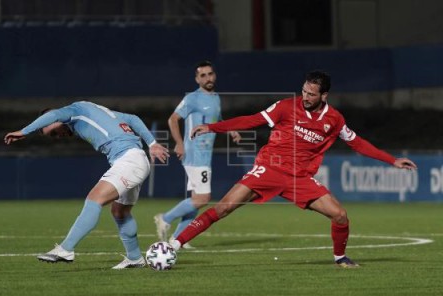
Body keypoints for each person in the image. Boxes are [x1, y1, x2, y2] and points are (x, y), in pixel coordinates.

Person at [169, 70, 417, 268]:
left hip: (299, 178)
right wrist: (213, 128)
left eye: (311, 94)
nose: (305, 97)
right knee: (223, 208)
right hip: (269, 169)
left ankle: (340, 258)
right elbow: (252, 120)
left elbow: (357, 142)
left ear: (324, 95)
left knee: (340, 215)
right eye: (304, 91)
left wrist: (391, 160)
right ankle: (174, 246)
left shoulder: (335, 120)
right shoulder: (286, 106)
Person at [4, 101, 169, 269]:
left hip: (129, 161)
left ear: (57, 118)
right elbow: (132, 119)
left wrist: (24, 131)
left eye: (54, 132)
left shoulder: (76, 110)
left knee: (94, 198)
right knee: (120, 212)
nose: (57, 136)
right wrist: (152, 143)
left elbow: (53, 115)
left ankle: (65, 249)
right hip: (133, 159)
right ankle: (134, 258)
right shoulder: (98, 112)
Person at [153, 60, 240, 248]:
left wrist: (230, 129)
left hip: (205, 154)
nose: (208, 78)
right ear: (197, 79)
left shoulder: (215, 97)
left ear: (214, 75)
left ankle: (178, 239)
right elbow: (173, 119)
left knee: (196, 199)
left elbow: (216, 119)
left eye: (210, 74)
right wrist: (179, 144)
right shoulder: (192, 98)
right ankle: (165, 218)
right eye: (203, 75)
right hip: (194, 153)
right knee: (203, 198)